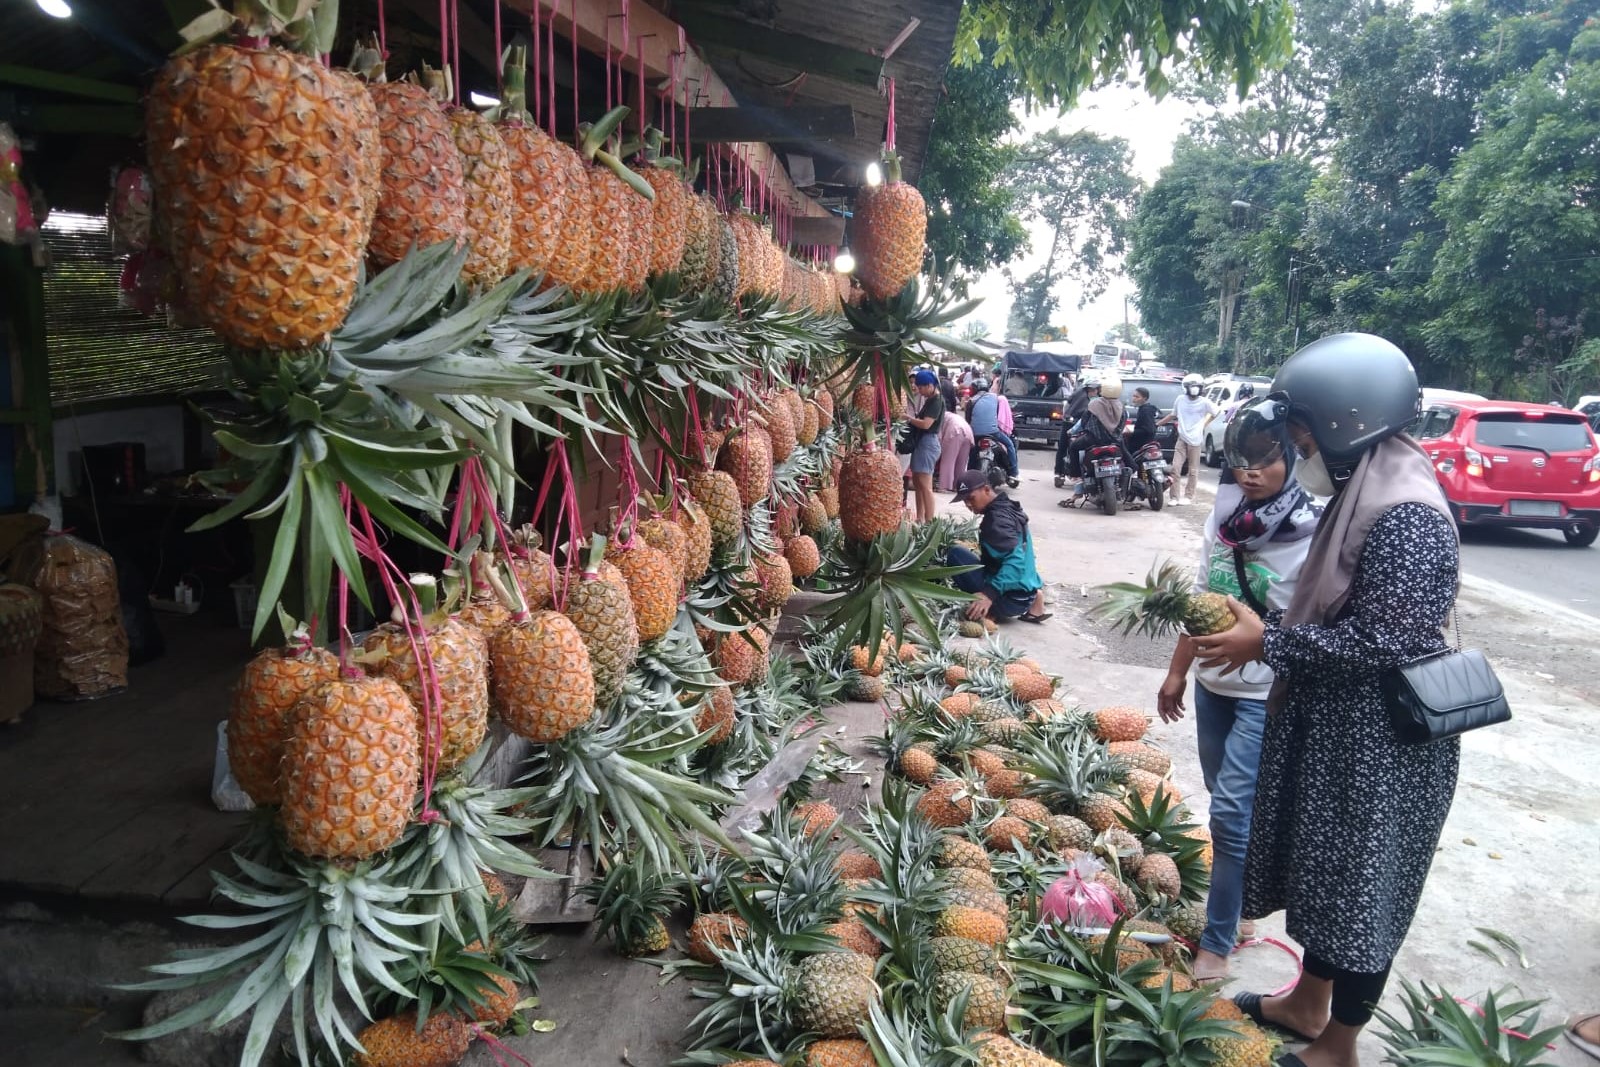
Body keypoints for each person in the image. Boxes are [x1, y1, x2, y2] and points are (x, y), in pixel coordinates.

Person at [1190, 334, 1460, 1067]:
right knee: (1327, 876)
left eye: (1304, 430)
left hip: (1384, 745)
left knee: (1361, 890)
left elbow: (1391, 640)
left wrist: (1271, 642)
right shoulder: (1368, 484)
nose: (1300, 444)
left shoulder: (1404, 512)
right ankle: (1308, 1004)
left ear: (1348, 419)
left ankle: (1339, 1045)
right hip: (1345, 730)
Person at [1156, 396, 1321, 984]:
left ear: (1293, 459)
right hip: (1213, 685)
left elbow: (1315, 627)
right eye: (1241, 461)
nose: (1250, 474)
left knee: (1229, 814)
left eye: (1266, 460)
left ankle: (1218, 941)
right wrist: (1178, 670)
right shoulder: (1222, 518)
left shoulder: (1312, 533)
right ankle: (1243, 899)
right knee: (1224, 799)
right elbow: (1203, 597)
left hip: (1266, 692)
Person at [949, 470, 1051, 623]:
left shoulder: (996, 520)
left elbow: (1016, 561)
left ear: (986, 489)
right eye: (964, 500)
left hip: (1010, 600)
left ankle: (991, 610)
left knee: (956, 555)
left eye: (971, 498)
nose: (968, 504)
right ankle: (1036, 597)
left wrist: (988, 595)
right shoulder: (1008, 506)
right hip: (1026, 592)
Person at [1064, 371, 1126, 501]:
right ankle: (1132, 474)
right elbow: (1123, 423)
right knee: (1126, 457)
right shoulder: (1121, 406)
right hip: (1114, 441)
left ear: (1102, 389)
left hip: (1093, 440)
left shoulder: (1094, 404)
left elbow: (1084, 422)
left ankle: (1076, 475)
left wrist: (1072, 431)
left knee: (1073, 447)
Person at [1160, 373, 1220, 505]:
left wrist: (1204, 424)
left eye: (1196, 386)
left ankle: (1188, 496)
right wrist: (1158, 424)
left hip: (1196, 440)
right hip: (1182, 438)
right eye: (1191, 386)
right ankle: (1174, 497)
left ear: (1201, 388)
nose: (1194, 389)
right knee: (1175, 468)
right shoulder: (1180, 400)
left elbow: (1216, 412)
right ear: (1186, 387)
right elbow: (1173, 414)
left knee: (1193, 470)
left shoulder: (1204, 402)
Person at [905, 369, 945, 523]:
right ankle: (920, 517)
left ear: (930, 385)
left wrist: (908, 418)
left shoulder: (936, 401)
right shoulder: (930, 399)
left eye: (921, 387)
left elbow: (926, 424)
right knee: (917, 482)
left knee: (925, 485)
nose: (919, 391)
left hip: (928, 443)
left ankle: (929, 521)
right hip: (922, 443)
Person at [967, 376, 1021, 487]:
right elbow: (997, 415)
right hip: (993, 433)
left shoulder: (971, 401)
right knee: (1010, 445)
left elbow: (968, 420)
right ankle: (1014, 472)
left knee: (971, 451)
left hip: (976, 434)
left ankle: (969, 473)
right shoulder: (995, 398)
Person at [1055, 375, 1092, 480]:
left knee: (1066, 448)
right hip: (1073, 423)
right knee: (1065, 447)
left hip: (1076, 422)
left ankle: (1062, 473)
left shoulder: (1090, 396)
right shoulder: (1082, 394)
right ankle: (1060, 472)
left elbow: (1067, 404)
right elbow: (1067, 405)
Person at [936, 403, 975, 491]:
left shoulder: (938, 417)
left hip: (954, 431)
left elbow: (938, 437)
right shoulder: (950, 415)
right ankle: (958, 486)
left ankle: (945, 486)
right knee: (961, 463)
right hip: (968, 432)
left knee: (948, 460)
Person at [1126, 386, 1160, 456]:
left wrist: (1131, 432)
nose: (1134, 399)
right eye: (1133, 396)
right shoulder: (1142, 409)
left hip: (1141, 443)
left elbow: (1148, 430)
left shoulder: (1145, 410)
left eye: (1137, 397)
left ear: (1144, 398)